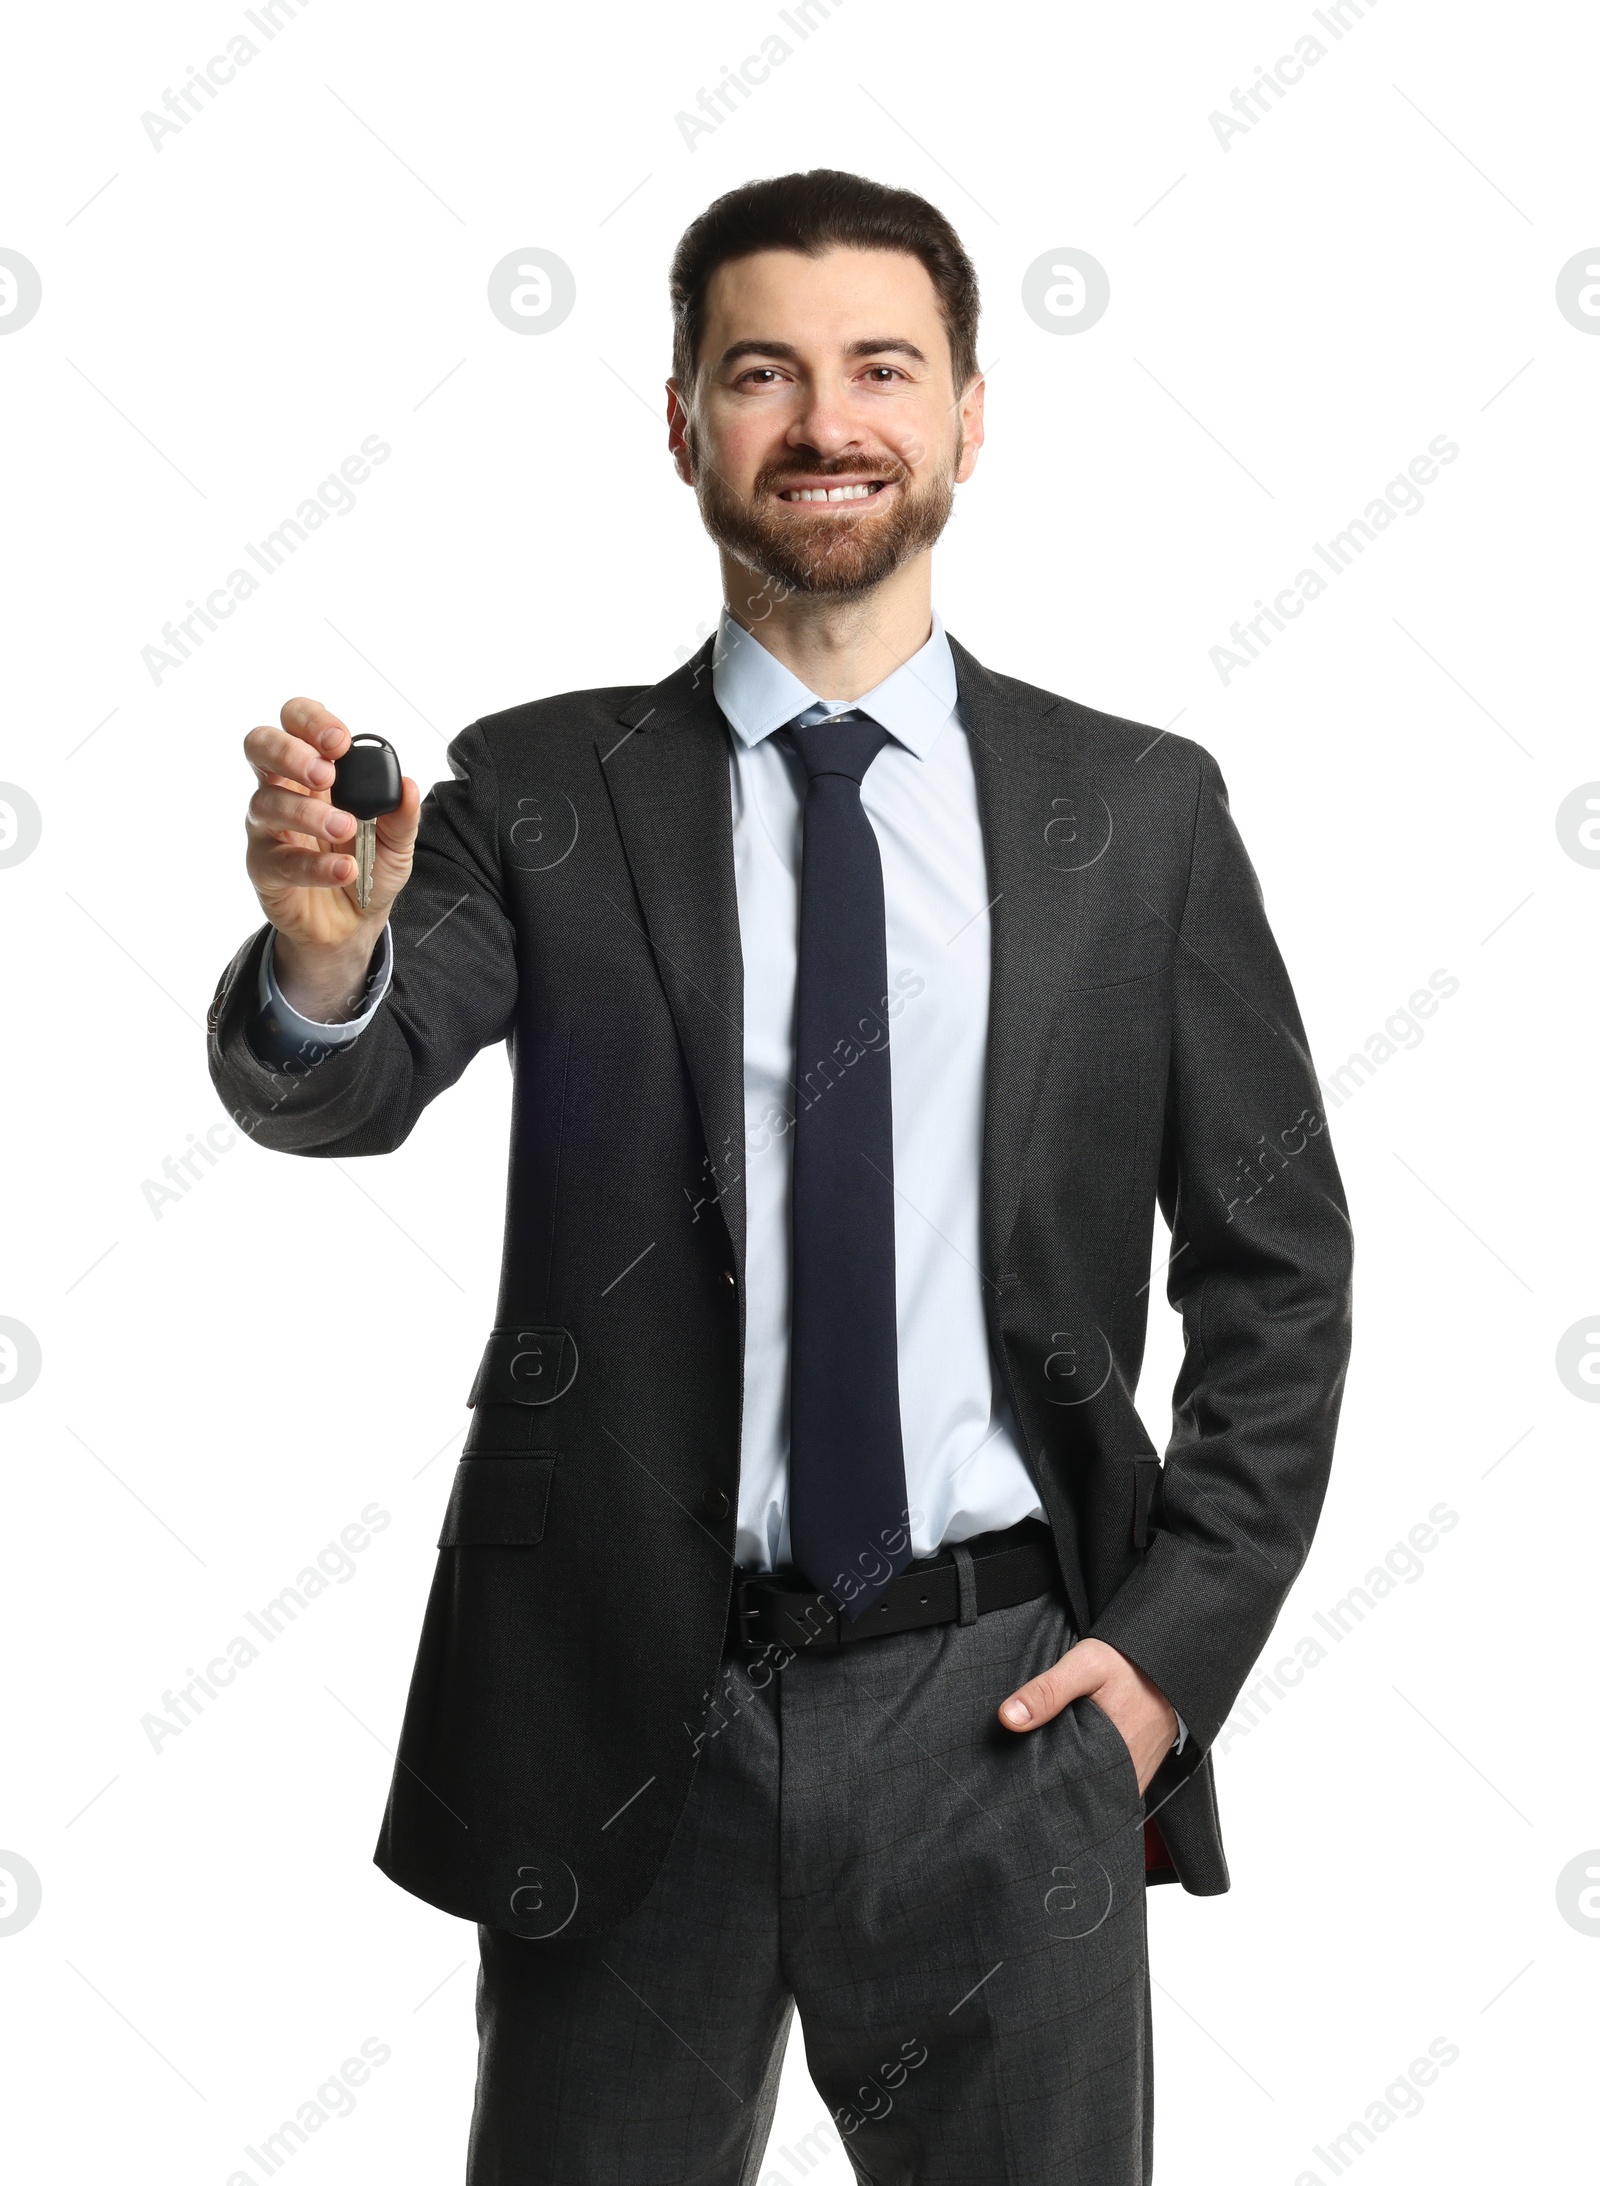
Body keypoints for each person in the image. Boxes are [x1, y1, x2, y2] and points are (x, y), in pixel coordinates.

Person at [208, 168, 1353, 2185]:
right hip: (624, 1718)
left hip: (1010, 1719)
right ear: (681, 423)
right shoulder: (544, 791)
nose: (825, 419)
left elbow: (1275, 1269)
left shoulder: (1136, 811)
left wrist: (1159, 1668)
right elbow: (347, 1084)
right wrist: (323, 958)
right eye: (762, 371)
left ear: (968, 415)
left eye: (879, 368)